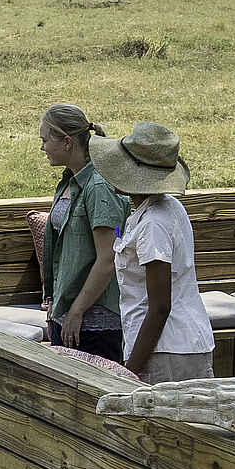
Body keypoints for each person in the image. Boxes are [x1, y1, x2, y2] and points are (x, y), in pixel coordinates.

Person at [90, 121, 215, 383]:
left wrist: (128, 372)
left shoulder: (153, 223)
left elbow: (160, 307)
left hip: (166, 351)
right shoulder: (162, 209)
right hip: (174, 345)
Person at [38, 103, 127, 360]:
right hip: (68, 317)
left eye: (45, 140)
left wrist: (76, 311)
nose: (42, 147)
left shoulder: (98, 187)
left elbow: (108, 258)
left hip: (94, 323)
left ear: (67, 142)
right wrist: (55, 306)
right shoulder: (69, 181)